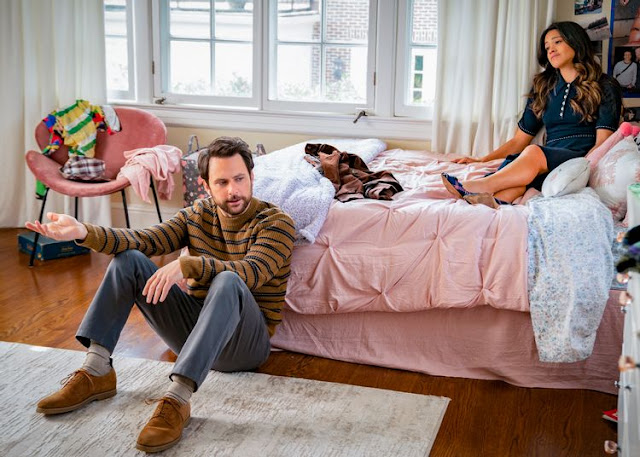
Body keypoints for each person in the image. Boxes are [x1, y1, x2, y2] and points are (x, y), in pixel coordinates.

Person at [25, 137, 296, 453]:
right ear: (205, 185)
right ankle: (96, 370)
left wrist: (187, 265)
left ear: (251, 176)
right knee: (129, 259)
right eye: (222, 182)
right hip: (193, 334)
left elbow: (252, 272)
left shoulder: (276, 223)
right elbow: (144, 239)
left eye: (240, 179)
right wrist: (83, 233)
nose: (233, 190)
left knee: (228, 281)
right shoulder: (197, 214)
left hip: (245, 345)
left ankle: (176, 399)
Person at [442, 21, 622, 208]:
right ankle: (494, 205)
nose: (550, 50)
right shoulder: (543, 87)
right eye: (547, 47)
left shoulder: (605, 85)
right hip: (545, 158)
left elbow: (603, 142)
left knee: (532, 153)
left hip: (579, 157)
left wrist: (581, 169)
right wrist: (482, 159)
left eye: (557, 42)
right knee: (515, 181)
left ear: (576, 42)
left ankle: (478, 186)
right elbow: (519, 140)